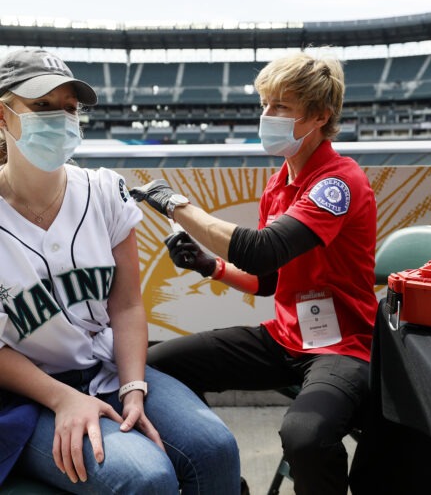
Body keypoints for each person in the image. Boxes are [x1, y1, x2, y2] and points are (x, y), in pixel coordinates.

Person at [130, 52, 378, 495]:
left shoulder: (338, 183)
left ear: (320, 116)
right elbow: (270, 281)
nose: (267, 116)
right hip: (285, 338)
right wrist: (212, 267)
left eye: (281, 106)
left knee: (305, 436)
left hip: (343, 347)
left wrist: (176, 204)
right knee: (151, 367)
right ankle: (227, 484)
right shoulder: (279, 183)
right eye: (265, 104)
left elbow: (263, 251)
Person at [0, 48, 240, 494]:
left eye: (69, 108)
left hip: (107, 368)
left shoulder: (105, 191)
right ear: (3, 115)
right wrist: (63, 398)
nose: (58, 119)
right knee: (145, 478)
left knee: (216, 450)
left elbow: (127, 304)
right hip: (28, 397)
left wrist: (133, 386)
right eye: (41, 106)